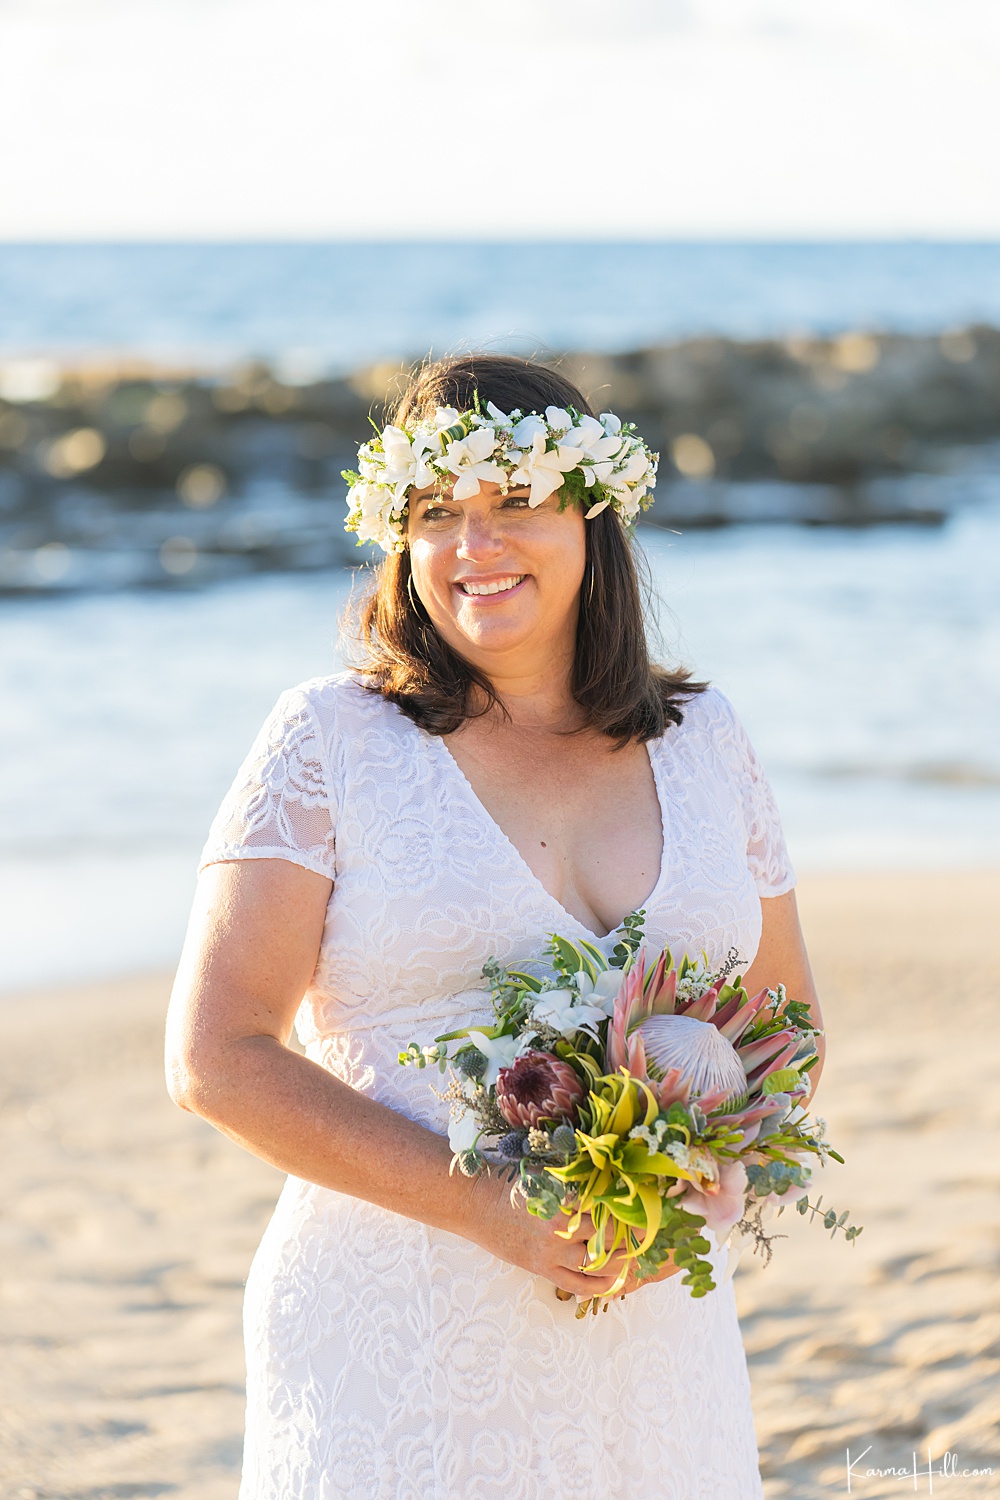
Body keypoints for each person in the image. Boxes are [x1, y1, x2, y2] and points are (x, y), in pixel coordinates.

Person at [165, 353, 823, 1499]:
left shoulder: (706, 735)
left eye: (514, 501)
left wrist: (716, 1156)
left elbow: (789, 1024)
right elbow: (217, 1059)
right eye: (436, 513)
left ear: (593, 514)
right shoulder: (331, 741)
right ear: (397, 538)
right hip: (397, 1326)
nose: (475, 544)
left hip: (652, 1325)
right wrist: (493, 1210)